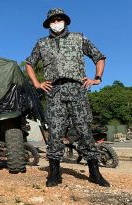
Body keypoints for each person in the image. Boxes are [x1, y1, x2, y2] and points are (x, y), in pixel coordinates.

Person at [25, 8, 109, 187]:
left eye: (59, 19)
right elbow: (29, 63)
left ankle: (95, 172)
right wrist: (37, 83)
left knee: (85, 130)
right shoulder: (42, 43)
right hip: (54, 92)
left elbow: (99, 57)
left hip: (77, 90)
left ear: (65, 21)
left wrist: (97, 78)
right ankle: (54, 173)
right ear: (48, 24)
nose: (56, 23)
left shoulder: (79, 38)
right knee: (55, 132)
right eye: (53, 20)